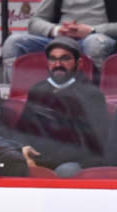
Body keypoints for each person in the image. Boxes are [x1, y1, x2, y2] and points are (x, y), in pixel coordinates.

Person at [10, 36, 108, 177]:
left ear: (79, 63)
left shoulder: (91, 95)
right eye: (53, 59)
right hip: (38, 159)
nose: (58, 64)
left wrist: (45, 160)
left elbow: (93, 147)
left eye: (65, 58)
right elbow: (22, 131)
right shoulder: (38, 90)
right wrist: (24, 150)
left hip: (73, 163)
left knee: (67, 171)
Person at [2, 0, 117, 79]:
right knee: (13, 42)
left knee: (93, 43)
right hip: (61, 40)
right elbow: (34, 22)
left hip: (98, 37)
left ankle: (93, 96)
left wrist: (92, 30)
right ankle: (12, 95)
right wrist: (57, 30)